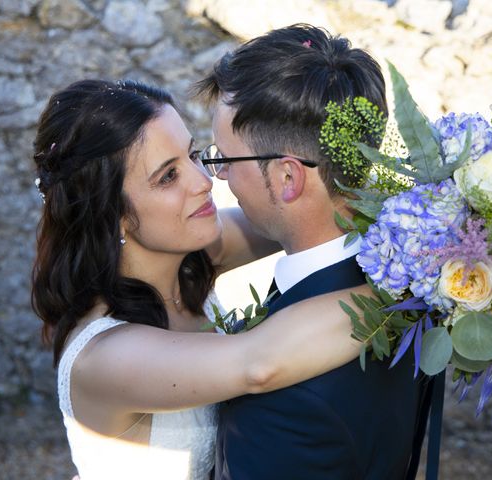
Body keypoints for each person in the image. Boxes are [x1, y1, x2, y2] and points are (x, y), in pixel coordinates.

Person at [31, 78, 369, 480]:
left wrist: (431, 211)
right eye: (168, 177)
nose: (203, 181)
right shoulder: (104, 358)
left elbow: (300, 213)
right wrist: (410, 277)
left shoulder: (191, 259)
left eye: (192, 155)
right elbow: (259, 364)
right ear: (113, 214)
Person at [195, 24, 432, 479]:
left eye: (224, 157)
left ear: (288, 178)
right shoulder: (409, 281)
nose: (217, 176)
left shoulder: (287, 400)